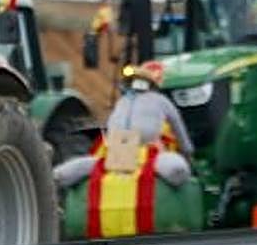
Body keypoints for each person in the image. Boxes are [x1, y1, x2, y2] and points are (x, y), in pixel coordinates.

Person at [54, 60, 194, 188]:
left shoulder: (123, 101)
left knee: (100, 165)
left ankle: (60, 175)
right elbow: (178, 127)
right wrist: (188, 153)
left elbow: (111, 125)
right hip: (144, 144)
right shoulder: (161, 100)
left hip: (119, 142)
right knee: (169, 167)